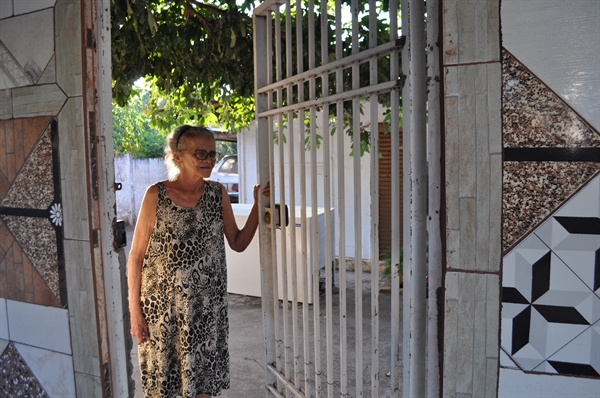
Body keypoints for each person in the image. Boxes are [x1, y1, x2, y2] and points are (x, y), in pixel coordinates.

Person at [127, 125, 268, 398]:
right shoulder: (156, 195)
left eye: (213, 155)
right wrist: (135, 312)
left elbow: (238, 243)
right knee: (164, 387)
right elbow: (136, 257)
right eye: (200, 153)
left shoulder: (218, 194)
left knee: (201, 385)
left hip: (206, 310)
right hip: (162, 311)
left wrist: (257, 208)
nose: (208, 160)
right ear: (177, 156)